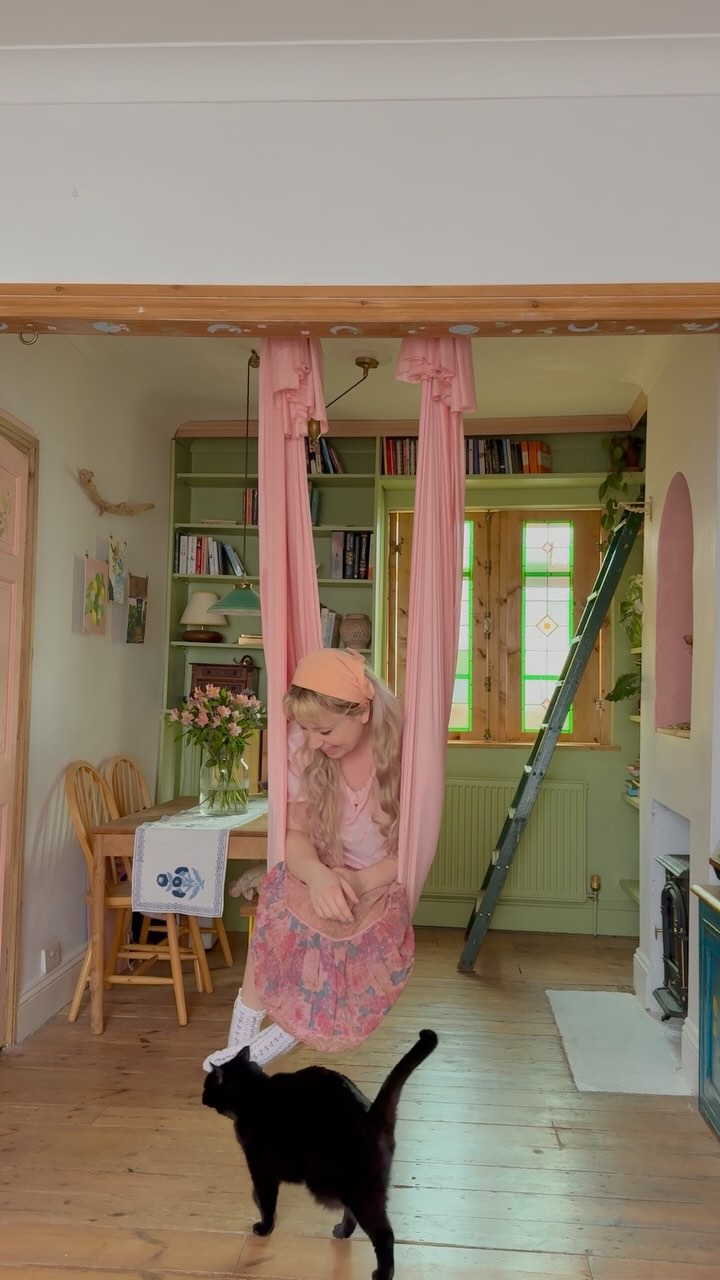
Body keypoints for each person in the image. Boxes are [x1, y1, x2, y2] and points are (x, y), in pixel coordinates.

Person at [203, 648, 414, 1071]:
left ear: (363, 711)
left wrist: (356, 883)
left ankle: (254, 1052)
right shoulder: (305, 746)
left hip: (378, 884)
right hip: (320, 866)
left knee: (333, 940)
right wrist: (318, 875)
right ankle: (241, 1042)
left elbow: (409, 856)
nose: (315, 741)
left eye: (325, 730)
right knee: (279, 906)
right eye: (307, 729)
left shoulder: (405, 753)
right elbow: (296, 837)